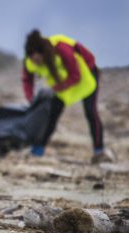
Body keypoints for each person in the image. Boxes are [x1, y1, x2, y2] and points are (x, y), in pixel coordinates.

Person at [22, 29, 112, 163]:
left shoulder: (62, 48)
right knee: (51, 114)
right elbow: (27, 79)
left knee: (90, 112)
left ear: (42, 53)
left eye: (37, 59)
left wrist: (55, 89)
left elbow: (76, 75)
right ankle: (37, 150)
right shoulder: (30, 60)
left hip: (86, 76)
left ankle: (99, 152)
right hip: (62, 81)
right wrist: (31, 99)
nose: (36, 63)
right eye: (33, 59)